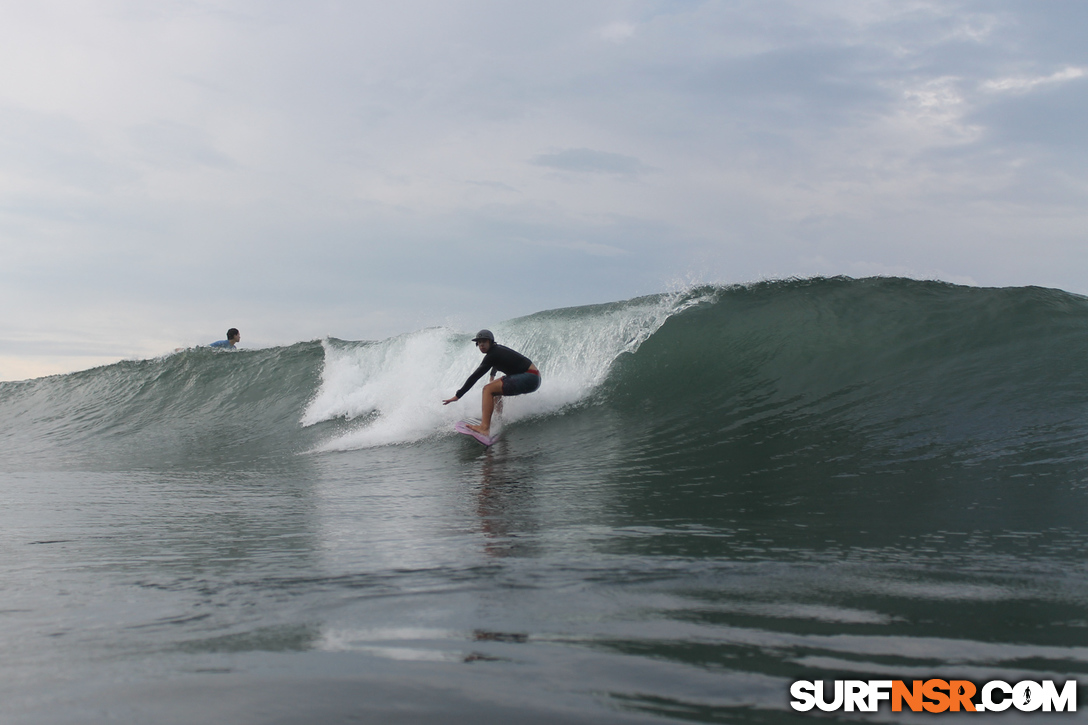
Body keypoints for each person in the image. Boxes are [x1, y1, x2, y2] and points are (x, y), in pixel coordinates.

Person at [443, 329, 540, 436]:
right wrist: (492, 376)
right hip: (532, 377)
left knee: (487, 389)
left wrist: (458, 395)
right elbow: (498, 363)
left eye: (484, 341)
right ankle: (498, 420)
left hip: (530, 377)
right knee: (494, 390)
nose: (481, 345)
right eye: (479, 342)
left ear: (490, 341)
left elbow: (475, 376)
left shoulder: (493, 354)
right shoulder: (496, 351)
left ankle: (484, 428)